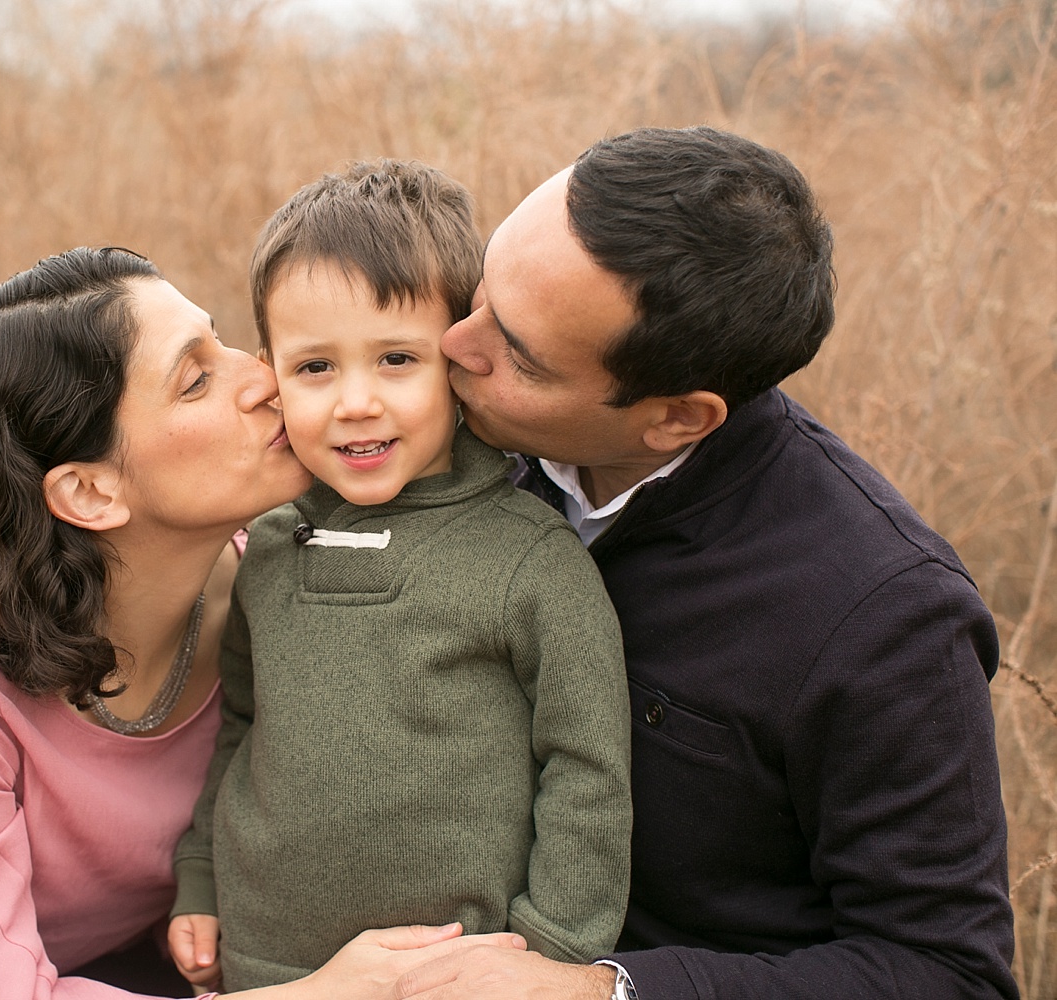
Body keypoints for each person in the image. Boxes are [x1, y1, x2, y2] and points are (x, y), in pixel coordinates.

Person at [0, 247, 525, 1000]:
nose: (266, 375)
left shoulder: (281, 575)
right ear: (90, 491)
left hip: (97, 964)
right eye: (195, 379)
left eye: (224, 339)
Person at [393, 126, 1019, 1000]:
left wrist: (601, 992)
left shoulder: (882, 616)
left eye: (521, 355)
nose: (455, 343)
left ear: (676, 420)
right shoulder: (436, 435)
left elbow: (946, 971)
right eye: (484, 290)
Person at [167, 161, 632, 994]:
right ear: (271, 369)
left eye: (395, 360)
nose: (355, 402)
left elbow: (587, 770)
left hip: (460, 978)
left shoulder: (530, 562)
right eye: (315, 368)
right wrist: (199, 876)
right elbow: (240, 722)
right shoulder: (270, 546)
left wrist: (549, 952)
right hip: (269, 973)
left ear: (458, 358)